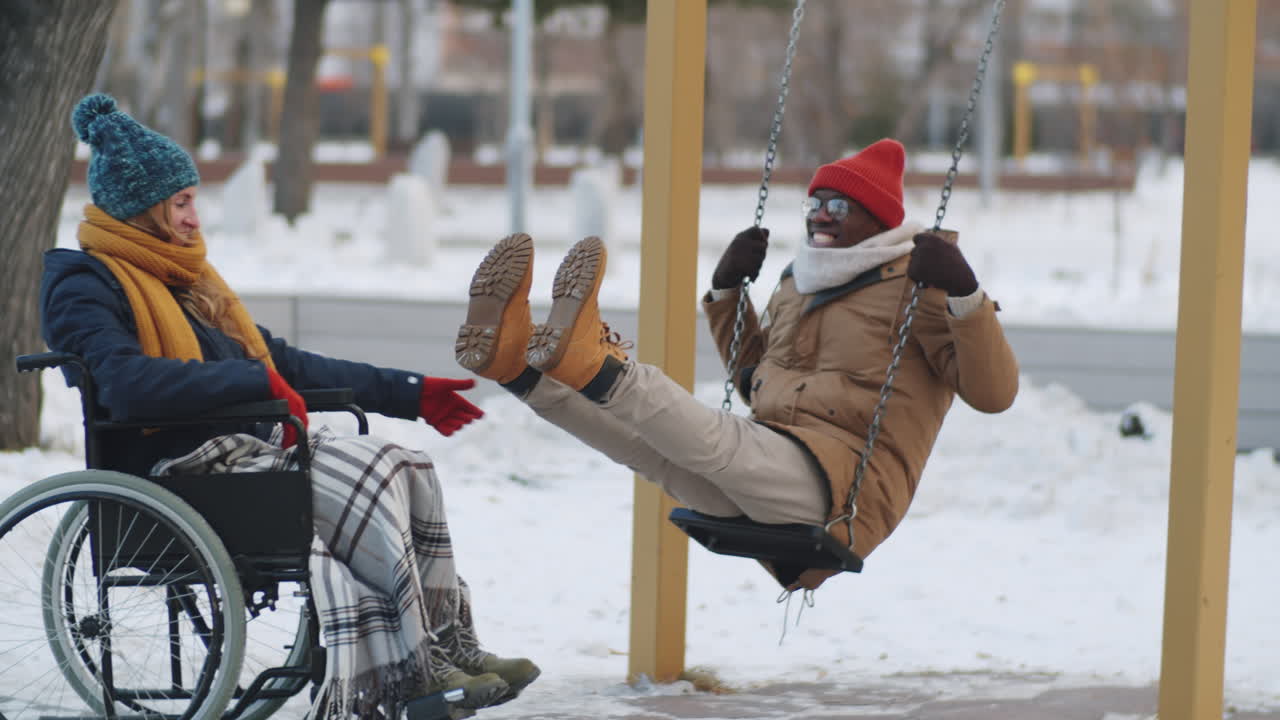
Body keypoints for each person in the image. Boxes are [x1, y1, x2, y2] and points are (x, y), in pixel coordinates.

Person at [42, 93, 538, 719]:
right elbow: (124, 384)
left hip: (242, 451)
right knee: (366, 475)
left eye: (193, 201)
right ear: (144, 211)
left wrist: (408, 393)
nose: (195, 218)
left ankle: (447, 643)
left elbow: (285, 364)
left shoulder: (187, 283)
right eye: (181, 203)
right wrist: (249, 383)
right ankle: (412, 670)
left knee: (404, 463)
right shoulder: (84, 284)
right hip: (175, 465)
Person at [455, 138, 1019, 591]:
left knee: (714, 440)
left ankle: (593, 361)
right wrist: (728, 291)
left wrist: (965, 294)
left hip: (842, 489)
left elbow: (994, 394)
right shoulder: (800, 282)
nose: (821, 217)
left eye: (839, 207)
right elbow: (755, 379)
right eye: (815, 204)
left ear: (877, 218)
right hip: (773, 469)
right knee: (645, 449)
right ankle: (520, 368)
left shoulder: (921, 284)